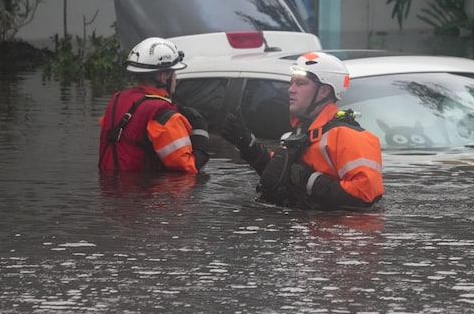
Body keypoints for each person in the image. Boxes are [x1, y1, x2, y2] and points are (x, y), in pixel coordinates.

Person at [221, 51, 384, 210]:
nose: (290, 89)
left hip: (336, 234)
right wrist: (248, 145)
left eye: (300, 83)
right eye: (292, 83)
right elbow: (282, 174)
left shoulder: (350, 136)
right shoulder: (301, 134)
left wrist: (306, 179)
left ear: (324, 91)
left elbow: (365, 195)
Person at [99, 37, 209, 173]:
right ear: (164, 76)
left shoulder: (117, 101)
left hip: (110, 190)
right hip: (142, 192)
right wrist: (200, 131)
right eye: (174, 73)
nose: (175, 78)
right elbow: (187, 169)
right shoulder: (165, 116)